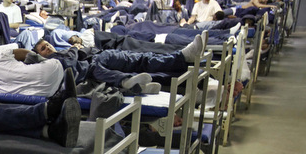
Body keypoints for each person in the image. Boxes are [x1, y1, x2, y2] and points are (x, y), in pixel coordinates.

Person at [30, 35, 205, 94]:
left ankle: (182, 57)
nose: (48, 48)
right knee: (140, 67)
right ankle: (188, 81)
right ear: (40, 55)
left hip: (99, 59)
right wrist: (74, 49)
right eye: (43, 49)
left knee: (140, 60)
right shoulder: (53, 63)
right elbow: (72, 61)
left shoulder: (62, 52)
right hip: (93, 65)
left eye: (47, 44)